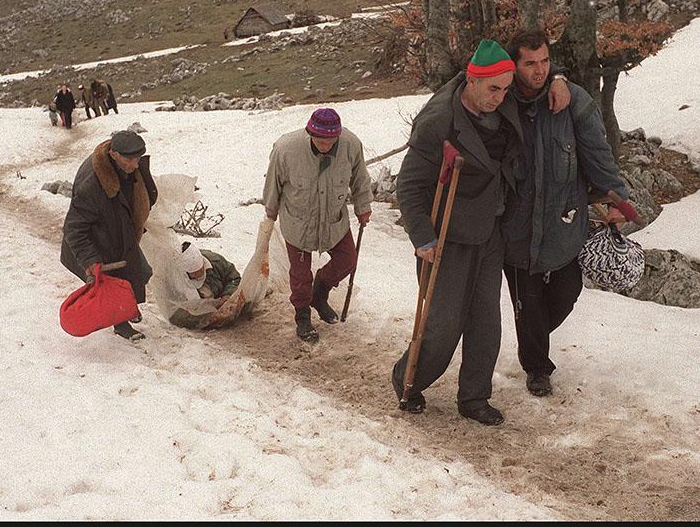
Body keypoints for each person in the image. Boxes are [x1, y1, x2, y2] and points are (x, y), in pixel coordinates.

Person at [390, 39, 525, 426]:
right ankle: (409, 380)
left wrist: (561, 78)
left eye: (505, 89)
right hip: (447, 235)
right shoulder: (438, 123)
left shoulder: (504, 104)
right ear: (471, 81)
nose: (500, 97)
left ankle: (474, 397)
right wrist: (422, 238)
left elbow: (539, 82)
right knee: (444, 323)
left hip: (489, 229)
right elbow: (410, 186)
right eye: (492, 89)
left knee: (486, 321)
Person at [501, 28, 637, 397]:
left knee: (566, 294)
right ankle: (537, 368)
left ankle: (533, 339)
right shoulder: (500, 100)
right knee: (527, 305)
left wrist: (616, 201)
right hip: (515, 230)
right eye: (530, 64)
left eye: (545, 62)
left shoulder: (572, 100)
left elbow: (598, 155)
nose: (539, 71)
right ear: (513, 65)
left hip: (564, 224)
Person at [262, 108, 373, 343]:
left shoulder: (351, 145)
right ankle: (302, 316)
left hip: (334, 220)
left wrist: (363, 206)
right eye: (320, 141)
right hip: (298, 221)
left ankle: (319, 293)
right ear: (309, 133)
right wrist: (270, 212)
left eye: (330, 141)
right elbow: (273, 182)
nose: (325, 145)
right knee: (300, 276)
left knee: (347, 260)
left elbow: (360, 178)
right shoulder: (286, 149)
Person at [60, 130, 158, 341]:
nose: (134, 164)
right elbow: (73, 228)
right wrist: (90, 260)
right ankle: (121, 323)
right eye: (129, 159)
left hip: (118, 229)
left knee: (140, 273)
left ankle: (127, 307)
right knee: (112, 284)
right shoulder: (93, 184)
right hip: (97, 239)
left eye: (137, 158)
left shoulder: (128, 166)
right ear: (113, 154)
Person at [168, 241, 245, 329]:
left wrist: (227, 295)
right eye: (195, 273)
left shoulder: (216, 261)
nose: (199, 274)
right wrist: (207, 318)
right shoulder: (175, 279)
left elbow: (234, 279)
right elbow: (173, 313)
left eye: (201, 270)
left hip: (222, 302)